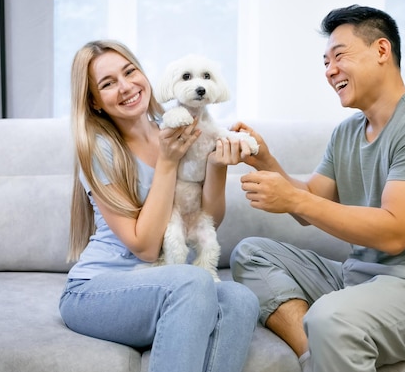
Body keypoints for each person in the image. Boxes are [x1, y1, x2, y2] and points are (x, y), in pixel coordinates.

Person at [229, 5, 405, 372]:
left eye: (339, 56)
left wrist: (293, 198)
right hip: (361, 276)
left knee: (330, 318)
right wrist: (265, 161)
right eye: (324, 62)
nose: (329, 70)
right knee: (251, 253)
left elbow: (395, 232)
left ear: (382, 51)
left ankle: (328, 343)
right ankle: (316, 357)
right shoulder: (347, 131)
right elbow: (311, 204)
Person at [59, 40, 259, 372]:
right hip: (95, 291)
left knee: (241, 300)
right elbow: (147, 249)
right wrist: (167, 164)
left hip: (164, 283)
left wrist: (216, 165)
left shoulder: (177, 129)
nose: (125, 87)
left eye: (129, 71)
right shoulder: (100, 150)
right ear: (94, 101)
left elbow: (207, 219)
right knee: (192, 282)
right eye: (108, 84)